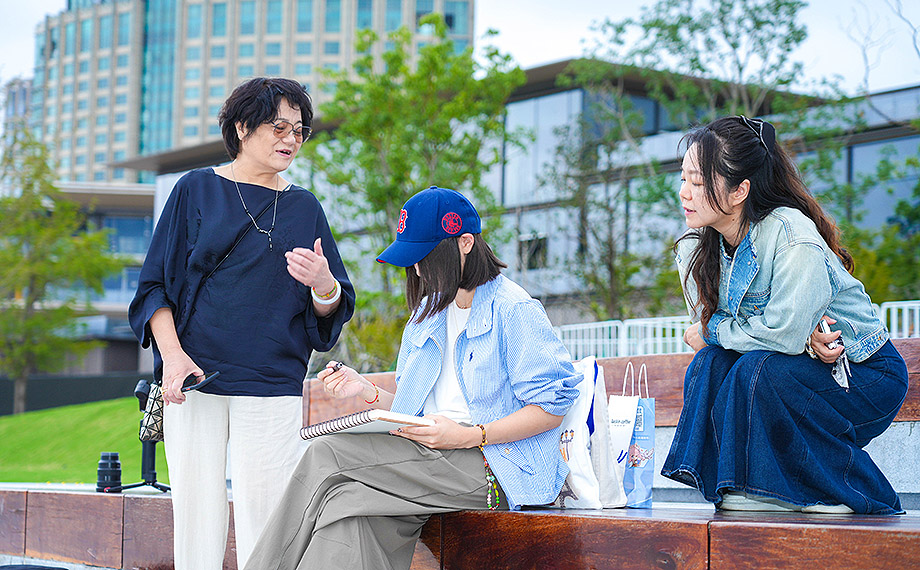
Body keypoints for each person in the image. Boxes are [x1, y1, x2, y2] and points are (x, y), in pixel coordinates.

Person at [243, 186, 581, 570]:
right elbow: (414, 411)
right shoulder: (427, 314)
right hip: (429, 461)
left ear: (465, 243)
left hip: (494, 468)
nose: (418, 270)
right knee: (347, 510)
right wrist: (366, 391)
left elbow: (550, 409)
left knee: (327, 455)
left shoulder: (513, 309)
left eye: (425, 257)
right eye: (412, 260)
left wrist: (468, 436)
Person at [128, 77, 355, 569]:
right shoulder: (196, 189)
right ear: (241, 127)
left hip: (273, 384)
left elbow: (331, 308)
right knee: (196, 520)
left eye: (300, 130)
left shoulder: (305, 207)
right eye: (279, 127)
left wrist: (323, 285)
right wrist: (173, 358)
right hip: (195, 380)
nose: (291, 139)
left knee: (270, 523)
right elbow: (153, 287)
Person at [661, 116, 908, 514]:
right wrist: (790, 337)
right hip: (795, 368)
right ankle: (746, 485)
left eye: (698, 181)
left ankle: (849, 493)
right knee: (711, 364)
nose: (683, 192)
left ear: (740, 190)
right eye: (683, 178)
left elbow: (769, 334)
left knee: (757, 368)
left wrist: (717, 330)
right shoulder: (694, 250)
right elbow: (738, 342)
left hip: (862, 373)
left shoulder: (791, 234)